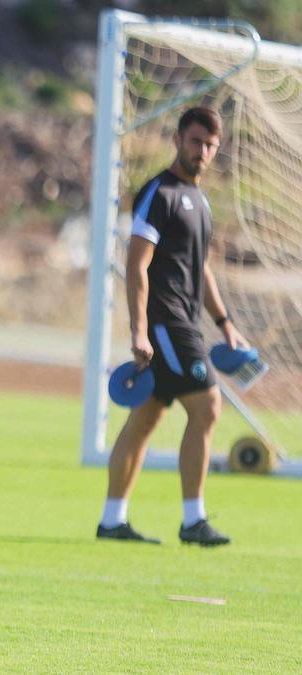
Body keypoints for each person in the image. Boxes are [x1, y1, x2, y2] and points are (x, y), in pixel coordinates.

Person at [97, 106, 246, 547]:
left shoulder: (200, 201)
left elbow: (201, 271)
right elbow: (136, 264)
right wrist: (139, 331)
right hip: (167, 324)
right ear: (179, 139)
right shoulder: (159, 194)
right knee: (208, 408)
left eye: (210, 145)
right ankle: (193, 520)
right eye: (196, 141)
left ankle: (111, 521)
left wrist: (225, 323)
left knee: (145, 418)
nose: (202, 151)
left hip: (188, 323)